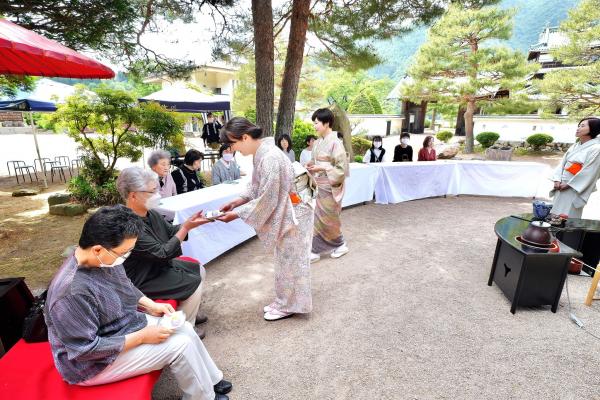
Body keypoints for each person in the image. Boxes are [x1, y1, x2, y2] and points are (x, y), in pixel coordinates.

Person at [44, 205, 231, 400]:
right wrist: (142, 337)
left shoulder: (101, 257)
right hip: (91, 365)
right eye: (124, 252)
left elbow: (125, 284)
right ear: (98, 249)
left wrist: (151, 305)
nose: (125, 257)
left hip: (120, 326)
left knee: (182, 327)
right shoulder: (71, 293)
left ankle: (212, 380)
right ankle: (202, 397)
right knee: (180, 345)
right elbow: (84, 350)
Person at [216, 117, 314, 321]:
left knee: (292, 260)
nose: (232, 149)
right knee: (287, 259)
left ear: (244, 137)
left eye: (232, 144)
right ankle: (285, 300)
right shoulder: (263, 153)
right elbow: (257, 185)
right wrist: (238, 201)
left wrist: (237, 213)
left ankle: (288, 305)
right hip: (291, 208)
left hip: (295, 211)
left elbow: (268, 196)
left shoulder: (269, 156)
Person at [117, 167, 210, 335]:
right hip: (142, 277)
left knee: (199, 270)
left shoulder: (149, 213)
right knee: (193, 282)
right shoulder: (127, 225)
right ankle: (186, 326)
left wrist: (190, 223)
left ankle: (190, 312)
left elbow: (169, 232)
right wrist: (186, 228)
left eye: (157, 189)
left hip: (158, 267)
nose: (158, 195)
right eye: (152, 191)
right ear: (133, 195)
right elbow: (162, 253)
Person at [306, 108, 348, 262]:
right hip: (319, 185)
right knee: (317, 218)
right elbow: (316, 161)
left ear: (327, 123)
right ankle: (316, 250)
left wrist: (322, 167)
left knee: (329, 218)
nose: (315, 126)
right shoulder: (317, 142)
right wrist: (311, 164)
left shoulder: (336, 142)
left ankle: (340, 244)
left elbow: (342, 169)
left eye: (317, 123)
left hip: (330, 187)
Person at [550, 117, 600, 218]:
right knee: (554, 215)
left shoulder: (596, 148)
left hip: (575, 188)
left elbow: (590, 172)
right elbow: (562, 164)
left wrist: (569, 184)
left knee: (567, 218)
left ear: (593, 128)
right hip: (561, 185)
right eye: (578, 125)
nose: (578, 128)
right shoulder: (575, 146)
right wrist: (557, 180)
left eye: (582, 126)